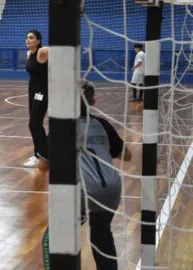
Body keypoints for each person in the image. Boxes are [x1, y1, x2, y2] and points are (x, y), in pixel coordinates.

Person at [40, 81, 132, 270]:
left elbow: (42, 166)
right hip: (112, 190)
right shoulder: (103, 124)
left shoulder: (62, 128)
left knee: (53, 238)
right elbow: (127, 155)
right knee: (101, 234)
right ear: (93, 102)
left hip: (84, 191)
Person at [23, 30, 49, 168]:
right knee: (35, 124)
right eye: (27, 37)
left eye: (31, 38)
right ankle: (44, 154)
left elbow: (54, 49)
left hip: (42, 91)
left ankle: (39, 155)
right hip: (32, 90)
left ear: (38, 40)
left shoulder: (41, 52)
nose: (28, 40)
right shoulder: (30, 53)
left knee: (34, 123)